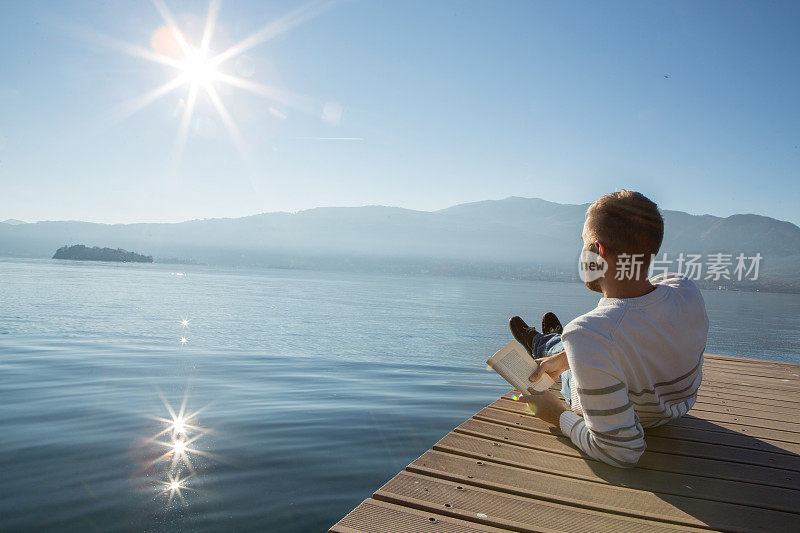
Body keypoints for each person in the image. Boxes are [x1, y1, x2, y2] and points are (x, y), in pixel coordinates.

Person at [512, 190, 709, 468]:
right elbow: (639, 327)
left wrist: (556, 414)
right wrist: (570, 356)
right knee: (574, 348)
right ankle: (556, 346)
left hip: (631, 412)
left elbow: (622, 452)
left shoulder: (588, 332)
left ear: (597, 250)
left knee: (570, 359)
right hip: (673, 411)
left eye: (583, 243)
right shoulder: (685, 289)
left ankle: (543, 342)